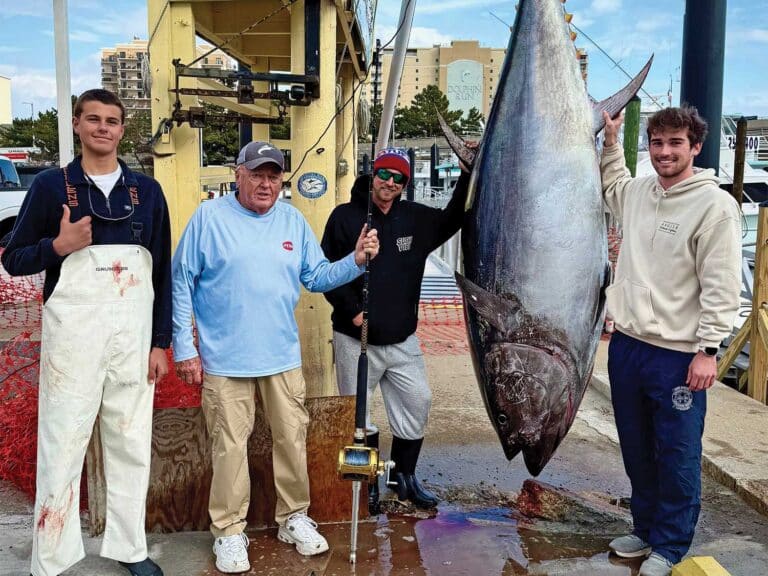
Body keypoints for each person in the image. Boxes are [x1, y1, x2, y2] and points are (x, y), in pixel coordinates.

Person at [172, 141, 379, 574]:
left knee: (291, 439)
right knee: (229, 447)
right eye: (257, 174)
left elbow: (318, 276)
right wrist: (184, 348)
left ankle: (294, 517)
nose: (266, 183)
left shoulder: (292, 219)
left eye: (273, 175)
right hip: (225, 362)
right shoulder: (208, 219)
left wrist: (357, 260)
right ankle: (229, 532)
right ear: (238, 174)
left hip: (282, 358)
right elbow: (181, 282)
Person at [1, 89, 171, 576]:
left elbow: (163, 273)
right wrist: (59, 244)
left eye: (112, 121)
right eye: (92, 119)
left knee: (131, 442)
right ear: (76, 125)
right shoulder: (52, 188)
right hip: (74, 340)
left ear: (122, 130)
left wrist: (161, 342)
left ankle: (129, 547)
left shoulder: (147, 192)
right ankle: (50, 559)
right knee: (61, 441)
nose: (103, 128)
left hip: (133, 339)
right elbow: (14, 259)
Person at [600, 106, 741, 576]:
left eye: (675, 143)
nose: (664, 152)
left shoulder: (715, 206)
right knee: (636, 447)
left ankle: (670, 544)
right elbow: (612, 184)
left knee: (677, 453)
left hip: (680, 354)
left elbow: (722, 286)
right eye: (657, 143)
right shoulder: (639, 192)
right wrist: (611, 140)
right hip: (628, 346)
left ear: (695, 147)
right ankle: (644, 528)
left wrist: (708, 350)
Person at [321, 147, 469, 514]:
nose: (389, 182)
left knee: (418, 401)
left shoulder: (414, 218)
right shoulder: (343, 217)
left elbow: (453, 218)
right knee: (358, 415)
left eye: (398, 178)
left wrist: (467, 173)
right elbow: (325, 272)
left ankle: (404, 477)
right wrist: (353, 312)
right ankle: (368, 481)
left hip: (403, 341)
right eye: (384, 174)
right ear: (373, 175)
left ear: (405, 183)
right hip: (356, 339)